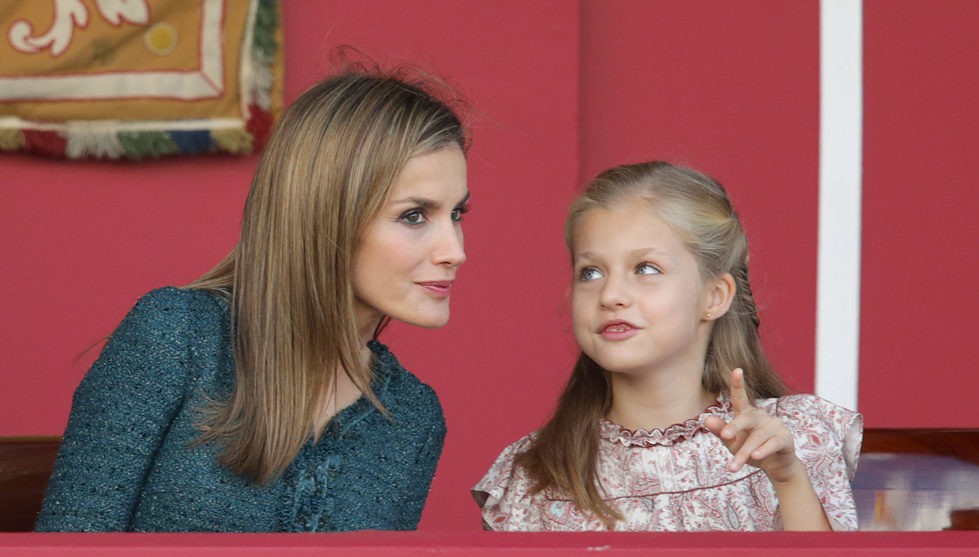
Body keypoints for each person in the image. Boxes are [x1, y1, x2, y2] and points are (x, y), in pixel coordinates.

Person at [36, 68, 471, 532]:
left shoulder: (413, 416)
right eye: (414, 215)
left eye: (458, 213)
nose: (456, 252)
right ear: (324, 214)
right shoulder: (176, 335)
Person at [473, 161, 861, 531]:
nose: (610, 295)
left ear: (714, 296)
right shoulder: (532, 474)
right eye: (590, 272)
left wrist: (788, 478)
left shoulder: (797, 437)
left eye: (645, 269)